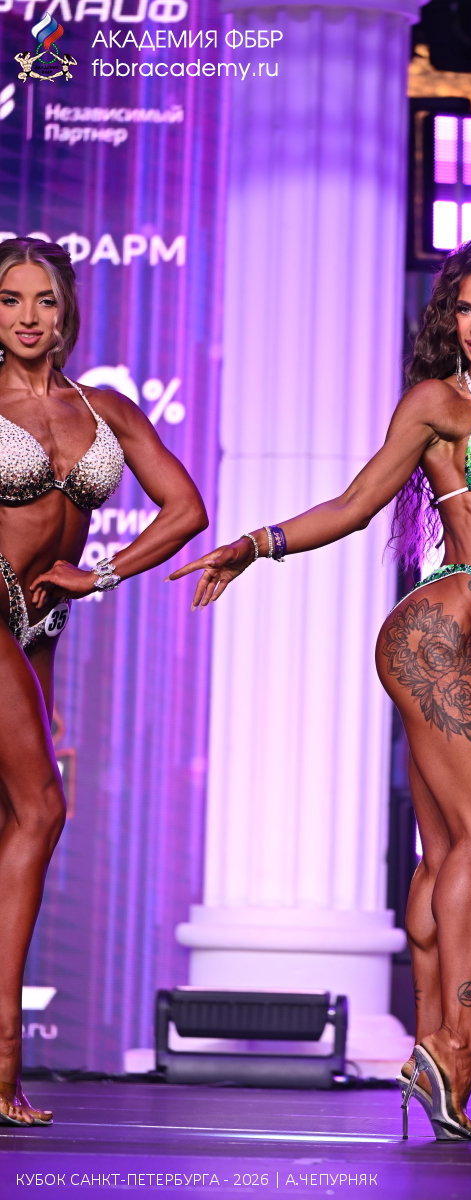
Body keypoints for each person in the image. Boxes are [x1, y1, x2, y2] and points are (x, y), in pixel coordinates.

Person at [169, 236, 471, 1141]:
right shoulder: (438, 403)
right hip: (431, 634)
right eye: (463, 309)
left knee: (443, 853)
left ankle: (428, 1047)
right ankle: (456, 1049)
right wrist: (255, 544)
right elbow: (355, 504)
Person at [0, 237, 208, 1126]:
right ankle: (2, 1064)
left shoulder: (106, 409)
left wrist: (103, 573)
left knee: (17, 821)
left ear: (67, 312)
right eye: (9, 299)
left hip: (40, 624)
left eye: (43, 300)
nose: (27, 317)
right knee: (41, 809)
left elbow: (188, 508)